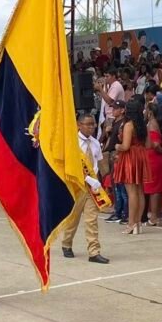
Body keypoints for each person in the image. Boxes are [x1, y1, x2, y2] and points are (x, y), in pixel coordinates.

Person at [62, 112, 110, 264]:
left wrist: (103, 180)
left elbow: (100, 163)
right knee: (73, 218)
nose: (91, 127)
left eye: (93, 124)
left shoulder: (95, 143)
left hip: (93, 187)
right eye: (88, 124)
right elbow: (69, 167)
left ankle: (94, 251)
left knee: (92, 220)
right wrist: (87, 178)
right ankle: (66, 243)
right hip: (77, 186)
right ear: (79, 125)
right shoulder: (72, 143)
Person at [112, 98, 150, 236]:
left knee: (131, 191)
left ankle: (131, 223)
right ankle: (138, 223)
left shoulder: (129, 125)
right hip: (141, 155)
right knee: (140, 190)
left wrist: (117, 146)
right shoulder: (143, 125)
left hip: (130, 157)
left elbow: (125, 146)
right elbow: (149, 144)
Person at [143, 103, 162, 228]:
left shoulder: (152, 124)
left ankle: (154, 217)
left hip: (153, 158)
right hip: (155, 158)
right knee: (156, 188)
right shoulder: (156, 123)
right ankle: (156, 215)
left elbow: (155, 144)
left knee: (154, 189)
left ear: (150, 112)